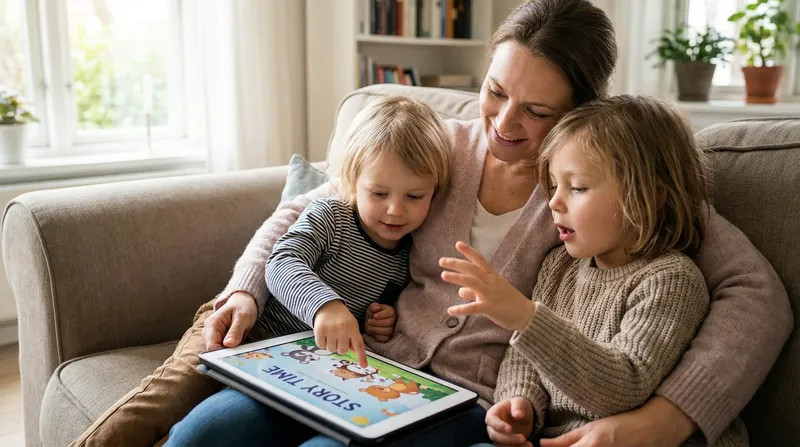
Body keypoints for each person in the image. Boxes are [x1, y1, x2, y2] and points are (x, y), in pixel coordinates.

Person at [73, 0, 792, 446]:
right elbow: (308, 209)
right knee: (200, 433)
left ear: (578, 112)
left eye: (537, 112)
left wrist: (668, 419)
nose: (506, 123)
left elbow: (756, 293)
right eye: (495, 92)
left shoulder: (603, 187)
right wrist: (244, 290)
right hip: (356, 370)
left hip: (459, 406)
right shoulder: (436, 145)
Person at [70, 95, 453, 446]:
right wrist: (326, 306)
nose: (395, 210)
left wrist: (375, 321)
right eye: (380, 193)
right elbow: (281, 263)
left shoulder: (407, 257)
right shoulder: (329, 217)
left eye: (414, 197)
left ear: (434, 193)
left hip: (294, 364)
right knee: (163, 400)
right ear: (351, 182)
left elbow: (366, 313)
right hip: (245, 327)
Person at [440, 95, 741, 447]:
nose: (554, 201)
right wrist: (519, 403)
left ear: (649, 196)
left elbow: (621, 388)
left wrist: (525, 317)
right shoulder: (558, 268)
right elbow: (523, 357)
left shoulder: (670, 280)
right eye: (553, 185)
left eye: (577, 187)